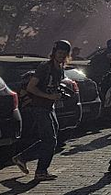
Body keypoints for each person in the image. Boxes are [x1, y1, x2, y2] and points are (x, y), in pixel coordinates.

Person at [11, 40, 71, 180]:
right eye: (60, 53)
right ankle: (41, 171)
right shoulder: (45, 67)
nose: (62, 56)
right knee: (50, 140)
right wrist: (49, 96)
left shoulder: (60, 68)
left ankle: (22, 157)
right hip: (39, 107)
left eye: (64, 54)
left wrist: (60, 94)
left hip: (50, 107)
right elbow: (31, 87)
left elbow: (55, 86)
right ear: (54, 53)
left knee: (51, 138)